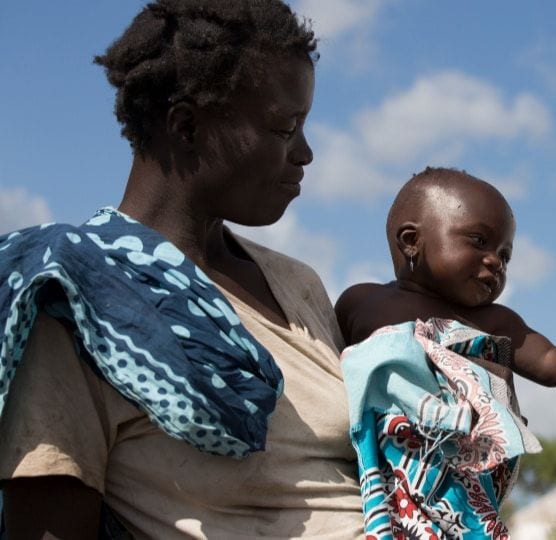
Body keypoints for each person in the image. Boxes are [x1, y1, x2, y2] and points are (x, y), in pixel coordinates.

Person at [0, 1, 364, 538]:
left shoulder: (298, 284)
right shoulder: (77, 299)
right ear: (187, 126)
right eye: (287, 129)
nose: (306, 153)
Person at [334, 166, 556, 537]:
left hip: (460, 499)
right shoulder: (359, 304)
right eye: (478, 241)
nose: (495, 261)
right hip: (372, 482)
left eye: (505, 255)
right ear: (411, 241)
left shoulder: (494, 323)